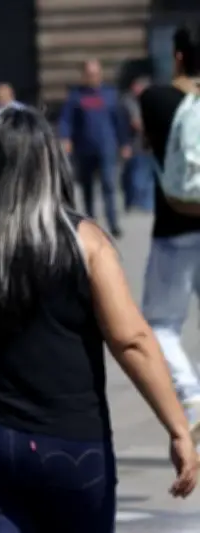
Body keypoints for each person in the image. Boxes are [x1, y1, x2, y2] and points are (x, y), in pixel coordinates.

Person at [0, 106, 198, 532]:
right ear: (53, 167)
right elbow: (131, 340)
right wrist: (177, 428)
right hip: (70, 445)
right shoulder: (84, 242)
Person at [139, 26, 200, 441]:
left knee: (161, 324)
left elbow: (149, 143)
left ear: (178, 57)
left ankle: (192, 396)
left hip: (174, 229)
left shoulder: (155, 99)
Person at [59, 59, 130, 238]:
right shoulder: (76, 96)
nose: (93, 77)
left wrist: (124, 143)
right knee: (87, 188)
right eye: (90, 74)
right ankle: (91, 224)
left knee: (109, 185)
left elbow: (120, 121)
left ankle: (113, 223)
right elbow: (66, 119)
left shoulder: (110, 94)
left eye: (96, 74)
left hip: (106, 147)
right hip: (84, 149)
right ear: (84, 75)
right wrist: (66, 138)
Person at [121, 76, 153, 212]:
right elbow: (136, 123)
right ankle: (136, 204)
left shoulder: (150, 101)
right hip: (135, 145)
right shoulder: (128, 101)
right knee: (136, 177)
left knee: (148, 178)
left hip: (149, 146)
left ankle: (146, 205)